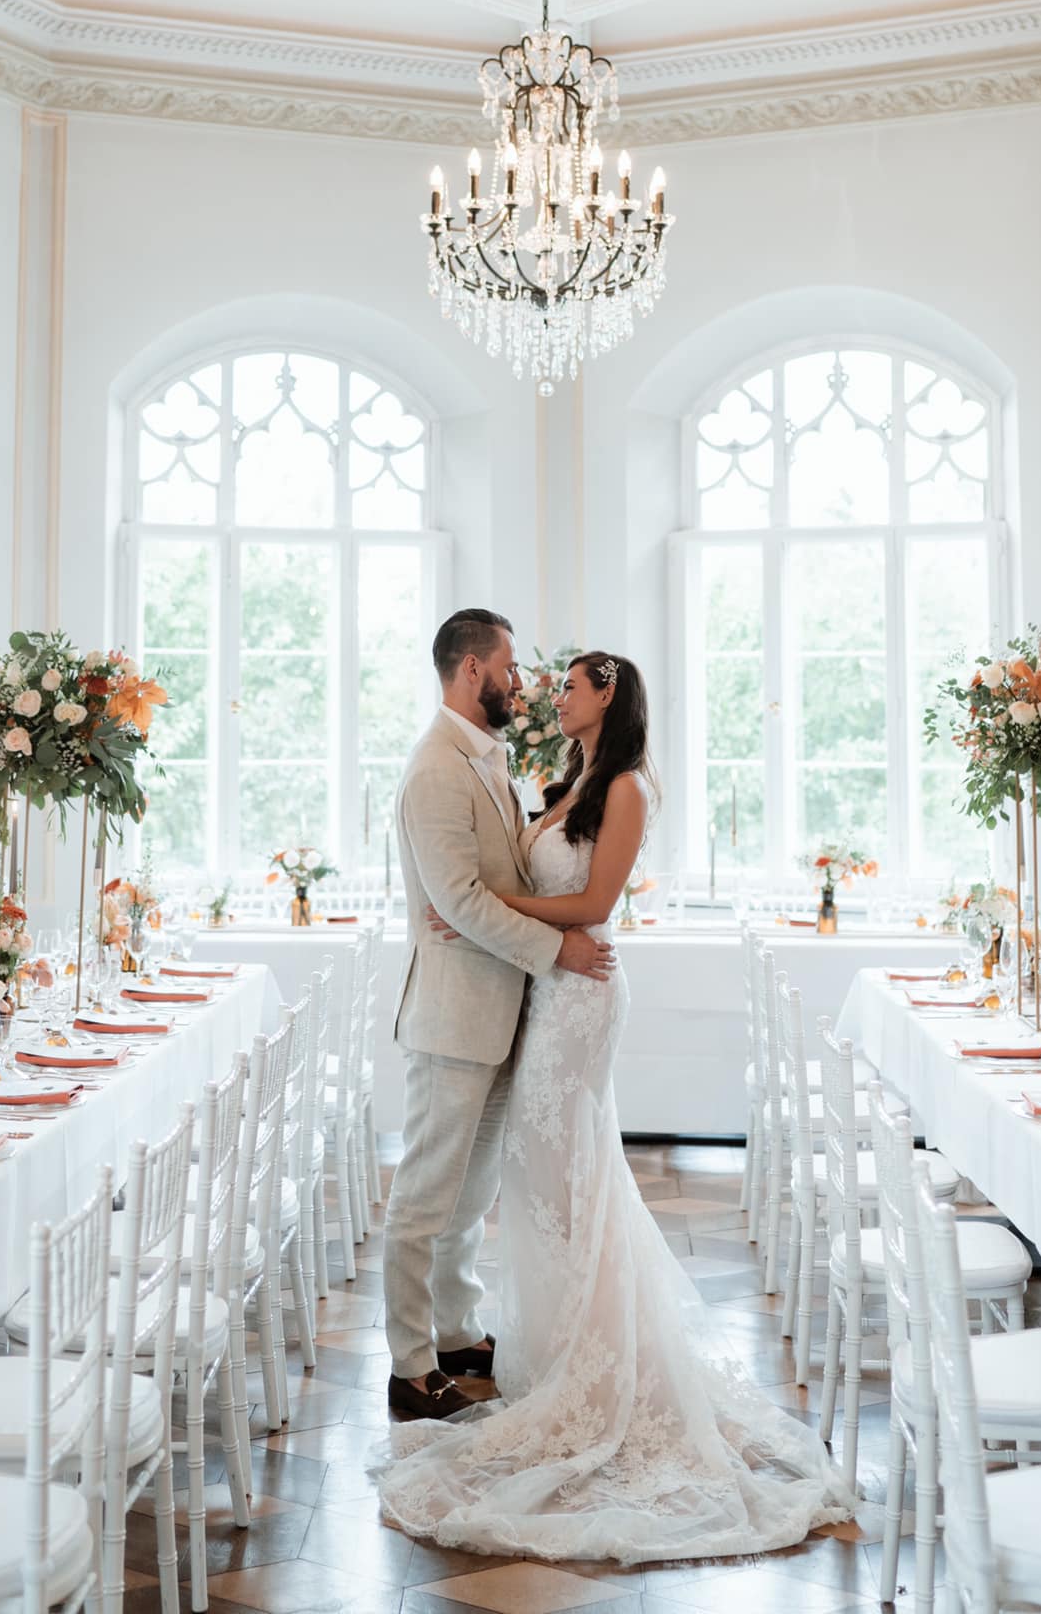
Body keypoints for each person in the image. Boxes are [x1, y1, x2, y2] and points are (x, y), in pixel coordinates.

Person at [377, 650, 851, 1561]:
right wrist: (470, 907)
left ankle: (574, 1362)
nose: (544, 687)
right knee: (533, 1180)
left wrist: (478, 904)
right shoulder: (559, 776)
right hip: (539, 992)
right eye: (528, 674)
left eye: (566, 684)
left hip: (577, 992)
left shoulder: (625, 785)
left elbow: (594, 901)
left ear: (608, 698)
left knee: (566, 1177)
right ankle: (532, 1351)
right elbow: (503, 886)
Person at [383, 609, 615, 1422]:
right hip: (452, 1016)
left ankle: (454, 1330)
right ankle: (410, 1366)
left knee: (468, 1191)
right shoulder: (435, 770)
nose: (521, 682)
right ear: (472, 669)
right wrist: (560, 951)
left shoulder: (485, 757)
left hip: (495, 1010)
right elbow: (460, 901)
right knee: (425, 1194)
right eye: (510, 667)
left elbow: (491, 885)